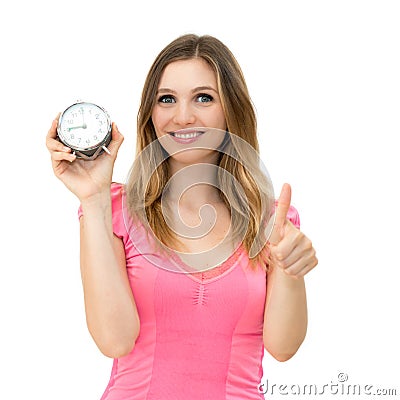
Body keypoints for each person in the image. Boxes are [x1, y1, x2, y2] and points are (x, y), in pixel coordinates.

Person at [46, 34, 318, 400]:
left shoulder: (272, 221)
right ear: (151, 114)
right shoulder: (112, 209)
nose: (183, 116)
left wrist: (291, 269)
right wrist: (93, 200)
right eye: (167, 99)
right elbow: (115, 339)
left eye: (204, 98)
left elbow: (283, 347)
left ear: (231, 109)